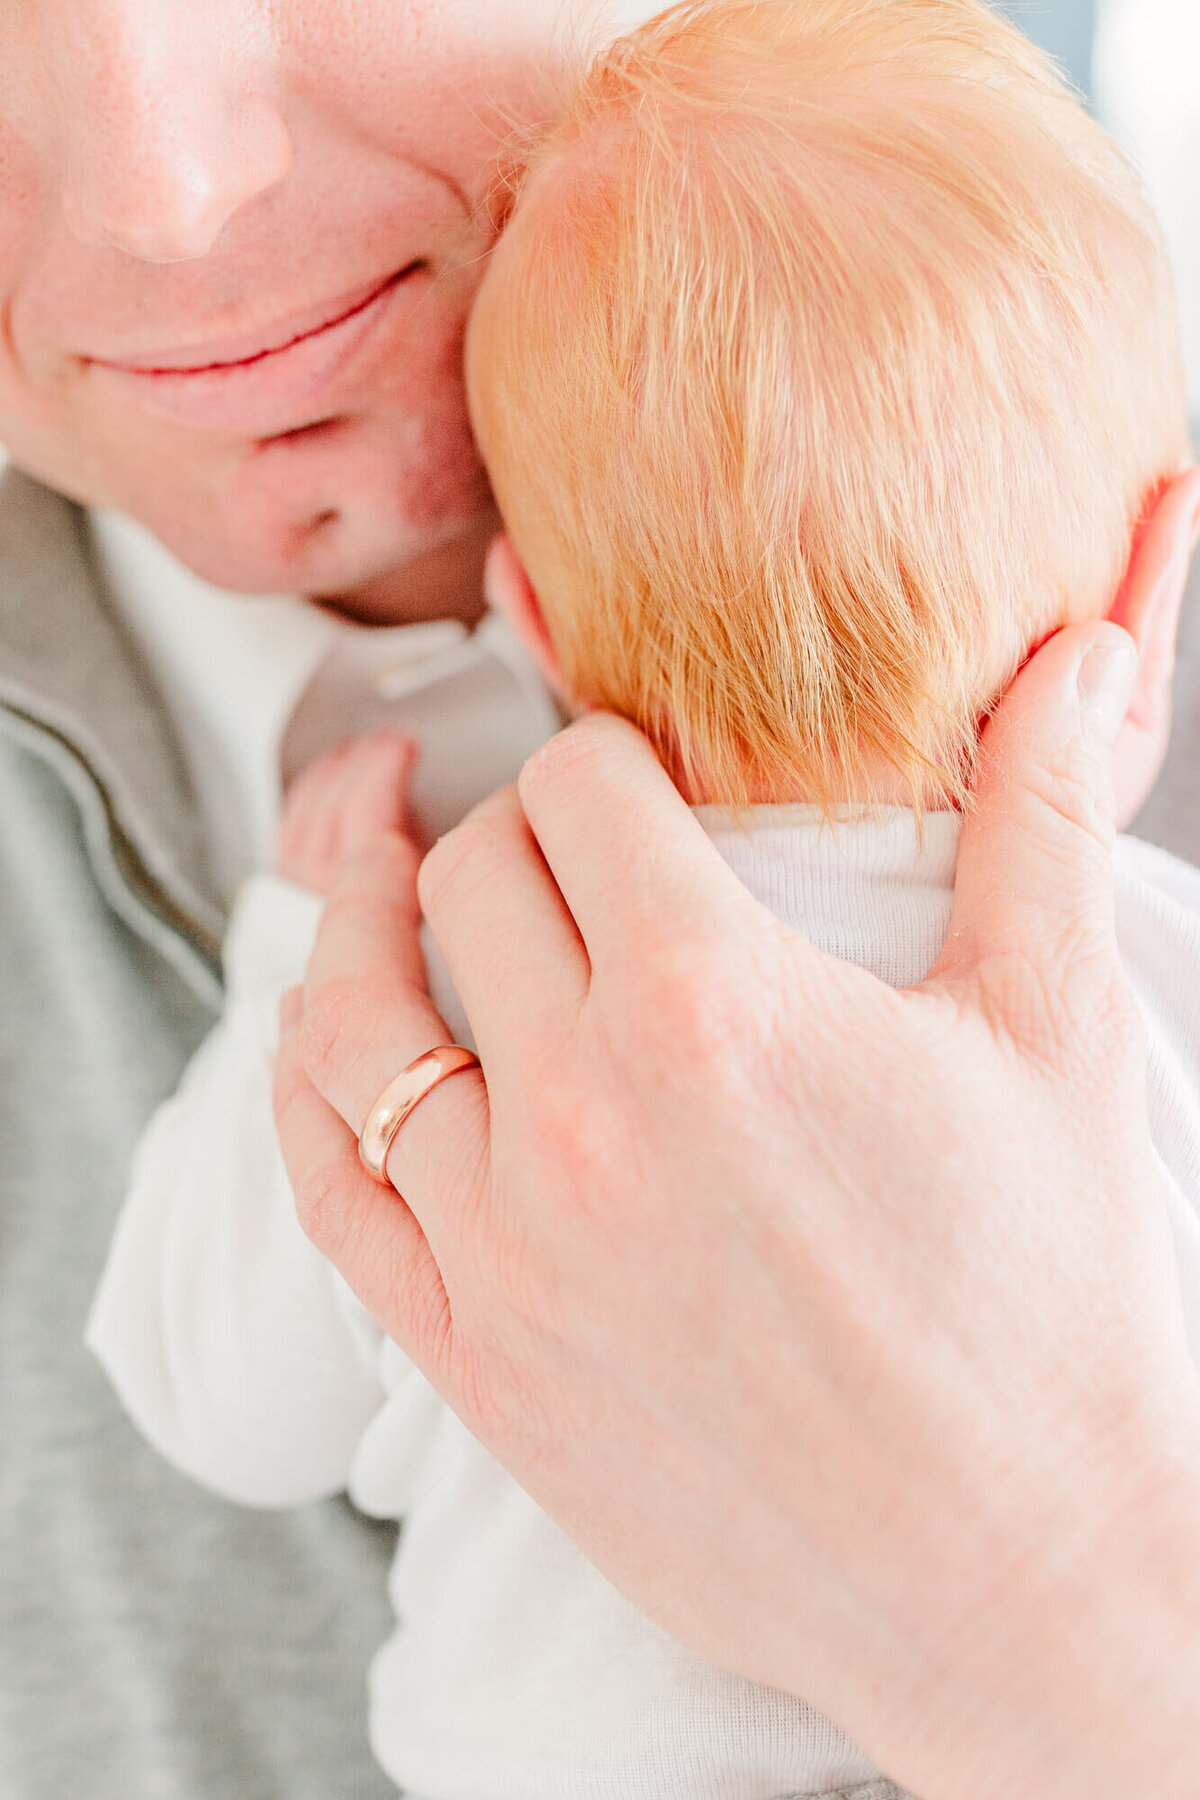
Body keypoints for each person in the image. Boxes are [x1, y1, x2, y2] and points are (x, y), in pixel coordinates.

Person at [0, 1, 1198, 1798]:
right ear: (1152, 581)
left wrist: (1061, 1624)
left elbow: (203, 1391)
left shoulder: (406, 1023)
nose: (169, 192)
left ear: (531, 611)